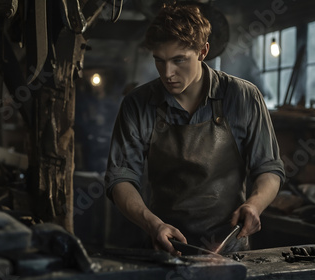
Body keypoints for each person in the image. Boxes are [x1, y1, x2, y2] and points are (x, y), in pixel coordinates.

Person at [104, 3, 285, 256]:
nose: (168, 73)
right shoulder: (138, 104)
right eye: (159, 60)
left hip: (229, 251)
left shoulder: (243, 97)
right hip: (166, 249)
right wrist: (152, 224)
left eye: (179, 60)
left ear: (203, 51)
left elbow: (269, 168)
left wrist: (255, 205)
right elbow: (120, 178)